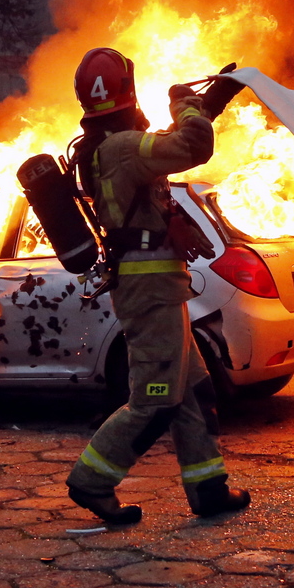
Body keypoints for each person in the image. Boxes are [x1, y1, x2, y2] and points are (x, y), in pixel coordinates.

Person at [63, 47, 251, 524]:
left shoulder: (110, 146)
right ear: (128, 89)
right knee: (157, 398)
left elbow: (173, 147)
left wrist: (214, 101)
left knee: (190, 390)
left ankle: (208, 489)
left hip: (156, 285)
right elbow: (190, 146)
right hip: (149, 291)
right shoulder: (125, 146)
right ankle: (92, 481)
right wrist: (187, 104)